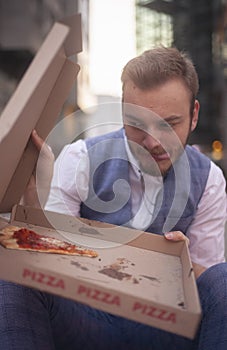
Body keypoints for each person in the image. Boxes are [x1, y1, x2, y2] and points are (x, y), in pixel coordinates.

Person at [1, 46, 227, 350]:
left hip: (169, 328)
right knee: (12, 271)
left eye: (168, 124)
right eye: (136, 124)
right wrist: (33, 200)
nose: (152, 142)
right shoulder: (80, 157)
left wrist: (183, 265)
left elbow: (210, 285)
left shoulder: (209, 178)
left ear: (194, 115)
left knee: (224, 278)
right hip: (87, 320)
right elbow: (45, 261)